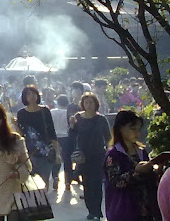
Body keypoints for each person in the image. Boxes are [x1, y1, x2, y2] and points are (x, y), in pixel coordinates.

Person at [104, 110, 162, 221]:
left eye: (138, 129)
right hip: (123, 210)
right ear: (121, 128)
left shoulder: (141, 151)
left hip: (145, 210)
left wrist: (156, 171)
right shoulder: (114, 154)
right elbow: (116, 182)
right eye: (133, 128)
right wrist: (136, 172)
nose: (137, 133)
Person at [69, 92, 112, 220]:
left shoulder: (101, 119)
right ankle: (91, 210)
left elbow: (108, 137)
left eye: (91, 102)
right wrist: (71, 126)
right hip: (83, 156)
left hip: (98, 155)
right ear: (82, 104)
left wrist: (110, 152)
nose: (88, 105)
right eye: (86, 102)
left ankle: (97, 211)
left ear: (95, 104)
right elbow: (72, 136)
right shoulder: (78, 117)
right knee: (87, 184)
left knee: (97, 184)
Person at [16, 85, 61, 190]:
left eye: (34, 93)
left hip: (45, 155)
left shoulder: (45, 111)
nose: (31, 96)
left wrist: (57, 153)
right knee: (29, 186)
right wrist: (15, 125)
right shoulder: (21, 113)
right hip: (27, 155)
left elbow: (52, 133)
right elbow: (20, 135)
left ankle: (42, 206)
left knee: (43, 186)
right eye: (28, 94)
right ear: (24, 97)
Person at [50, 94, 72, 191]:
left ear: (57, 102)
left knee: (56, 158)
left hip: (54, 138)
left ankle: (55, 176)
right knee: (67, 159)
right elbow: (70, 126)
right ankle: (67, 181)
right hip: (65, 137)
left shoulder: (52, 112)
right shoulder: (68, 113)